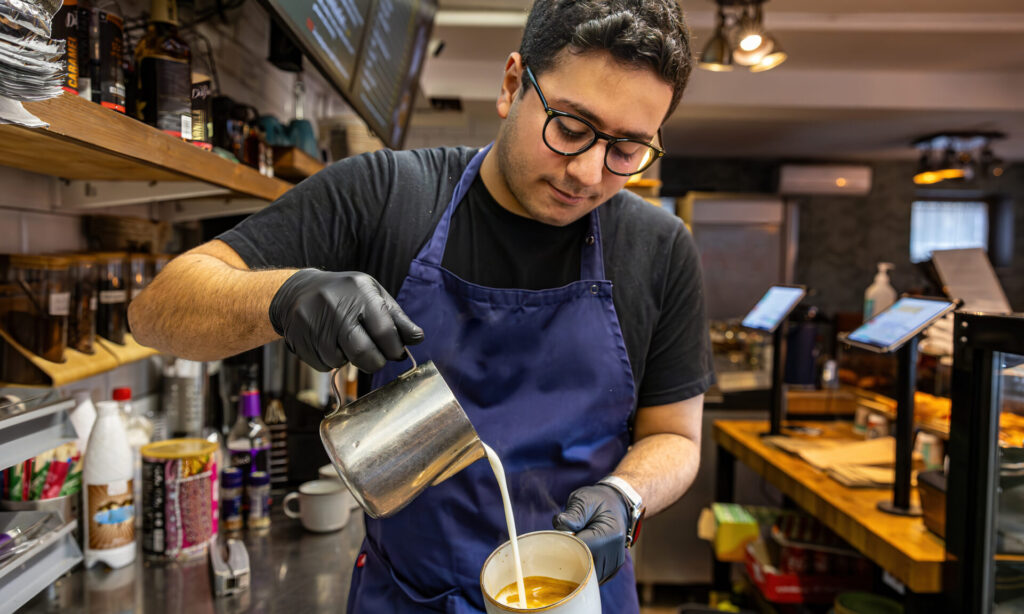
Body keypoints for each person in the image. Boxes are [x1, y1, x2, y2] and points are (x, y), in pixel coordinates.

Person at [129, 1, 712, 611]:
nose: (589, 173)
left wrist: (626, 494)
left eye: (627, 149)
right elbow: (157, 310)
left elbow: (675, 437)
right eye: (569, 128)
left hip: (579, 598)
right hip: (409, 596)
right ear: (513, 84)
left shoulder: (658, 248)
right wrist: (283, 296)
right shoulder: (385, 197)